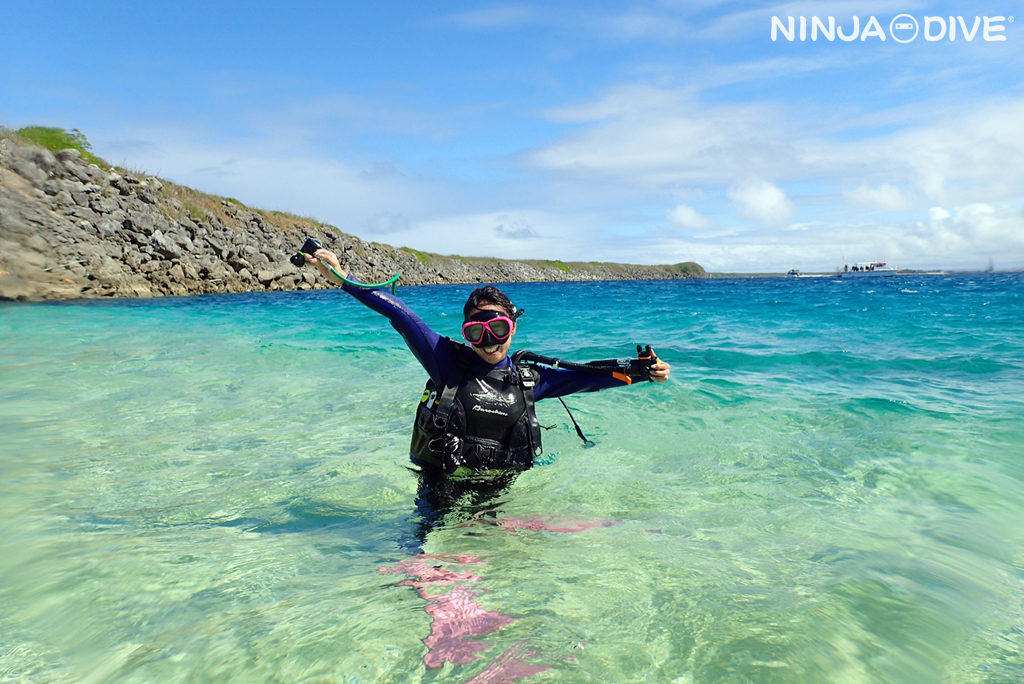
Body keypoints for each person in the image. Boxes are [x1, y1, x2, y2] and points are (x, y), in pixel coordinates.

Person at [304, 246, 671, 548]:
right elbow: (399, 315)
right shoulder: (445, 362)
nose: (490, 342)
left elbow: (586, 377)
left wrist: (643, 373)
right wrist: (343, 278)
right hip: (441, 484)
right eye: (477, 333)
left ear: (512, 325)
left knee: (493, 538)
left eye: (498, 328)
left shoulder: (530, 380)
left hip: (498, 485)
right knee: (425, 543)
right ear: (465, 335)